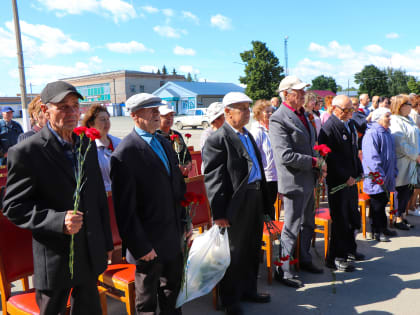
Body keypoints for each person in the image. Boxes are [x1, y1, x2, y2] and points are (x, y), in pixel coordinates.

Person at [3, 80, 113, 314]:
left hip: (89, 252)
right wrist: (57, 220)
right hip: (55, 257)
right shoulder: (26, 151)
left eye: (75, 106)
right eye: (63, 107)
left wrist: (104, 242)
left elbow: (97, 198)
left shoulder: (85, 144)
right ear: (45, 110)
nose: (72, 112)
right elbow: (13, 206)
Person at [110, 93, 187, 314]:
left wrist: (184, 222)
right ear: (134, 116)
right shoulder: (125, 153)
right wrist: (141, 246)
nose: (157, 113)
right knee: (147, 302)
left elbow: (176, 187)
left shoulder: (163, 141)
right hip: (148, 244)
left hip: (172, 234)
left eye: (157, 109)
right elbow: (125, 210)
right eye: (150, 110)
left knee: (172, 293)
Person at [203, 92, 271, 315]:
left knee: (252, 247)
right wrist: (219, 213)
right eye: (241, 108)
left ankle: (249, 289)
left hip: (254, 197)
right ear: (227, 112)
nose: (247, 112)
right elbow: (214, 180)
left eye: (247, 108)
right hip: (235, 203)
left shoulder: (247, 135)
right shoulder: (218, 138)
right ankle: (230, 299)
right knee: (233, 252)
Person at [269, 75, 325, 289]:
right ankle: (283, 269)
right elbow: (284, 156)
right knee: (291, 227)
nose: (303, 94)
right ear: (285, 94)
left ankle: (304, 259)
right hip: (293, 182)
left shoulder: (304, 115)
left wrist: (319, 165)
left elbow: (311, 144)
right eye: (299, 91)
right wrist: (314, 162)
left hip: (308, 179)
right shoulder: (279, 118)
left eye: (303, 91)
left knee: (308, 223)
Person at [318, 95, 364, 272]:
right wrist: (346, 176)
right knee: (340, 219)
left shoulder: (350, 124)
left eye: (351, 109)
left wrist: (358, 170)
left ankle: (350, 250)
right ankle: (336, 257)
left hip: (351, 180)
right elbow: (331, 158)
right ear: (335, 109)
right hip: (339, 181)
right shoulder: (329, 128)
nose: (349, 113)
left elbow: (353, 151)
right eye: (346, 110)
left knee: (352, 216)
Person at [362, 108, 398, 242]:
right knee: (377, 204)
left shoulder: (387, 132)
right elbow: (372, 159)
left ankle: (383, 228)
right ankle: (376, 231)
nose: (390, 118)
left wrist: (394, 171)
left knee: (383, 202)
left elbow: (392, 155)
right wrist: (380, 177)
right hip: (377, 178)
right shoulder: (372, 133)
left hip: (386, 177)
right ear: (378, 118)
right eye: (387, 116)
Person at [389, 94, 419, 230]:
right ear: (400, 106)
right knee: (400, 191)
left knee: (407, 190)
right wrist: (415, 155)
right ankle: (397, 217)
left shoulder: (408, 119)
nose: (410, 106)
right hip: (403, 161)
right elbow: (400, 143)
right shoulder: (395, 120)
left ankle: (402, 214)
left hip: (412, 160)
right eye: (408, 103)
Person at [82, 104, 121, 192]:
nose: (107, 122)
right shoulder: (86, 147)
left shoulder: (119, 143)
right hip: (102, 197)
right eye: (102, 120)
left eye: (108, 119)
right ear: (91, 123)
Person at [250, 99, 277, 219]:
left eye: (272, 111)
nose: (270, 114)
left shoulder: (272, 129)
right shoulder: (257, 131)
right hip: (264, 177)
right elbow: (253, 155)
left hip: (274, 175)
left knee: (271, 207)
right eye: (267, 112)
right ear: (259, 113)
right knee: (265, 209)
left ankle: (272, 233)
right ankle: (265, 235)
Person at [157, 105, 192, 176]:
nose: (169, 118)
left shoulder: (177, 135)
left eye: (171, 115)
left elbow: (186, 155)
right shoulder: (155, 136)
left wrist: (188, 165)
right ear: (158, 117)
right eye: (165, 116)